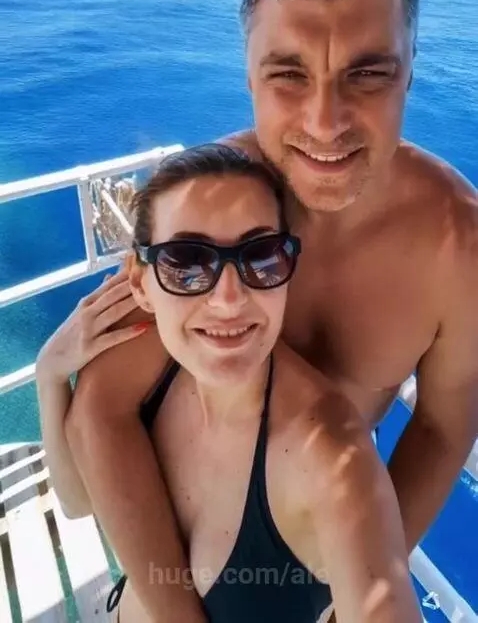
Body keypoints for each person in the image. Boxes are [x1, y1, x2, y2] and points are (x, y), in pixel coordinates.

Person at [42, 0, 477, 621]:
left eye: (368, 73)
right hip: (175, 534)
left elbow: (444, 427)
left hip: (307, 544)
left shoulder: (459, 245)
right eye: (288, 75)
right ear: (249, 75)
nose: (326, 123)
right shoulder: (211, 205)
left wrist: (366, 564)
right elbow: (101, 404)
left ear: (410, 67)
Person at [37, 143, 421, 623]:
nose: (229, 298)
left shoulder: (330, 457)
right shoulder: (144, 373)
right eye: (185, 262)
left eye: (261, 257)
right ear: (139, 283)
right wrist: (50, 375)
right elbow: (75, 503)